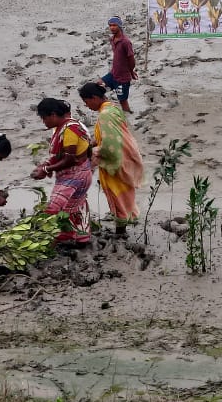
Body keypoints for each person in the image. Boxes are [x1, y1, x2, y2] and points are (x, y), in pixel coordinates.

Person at [78, 82, 144, 236]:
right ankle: (122, 227)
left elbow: (110, 143)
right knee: (123, 195)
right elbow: (110, 134)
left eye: (86, 102)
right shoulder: (113, 108)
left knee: (117, 195)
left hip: (117, 160)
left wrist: (90, 153)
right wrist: (92, 142)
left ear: (94, 98)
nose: (87, 106)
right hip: (125, 157)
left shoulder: (105, 114)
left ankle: (121, 232)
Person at [30, 98, 94, 244]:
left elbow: (69, 159)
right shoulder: (67, 126)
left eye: (44, 118)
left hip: (75, 176)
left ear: (53, 115)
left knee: (54, 208)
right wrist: (46, 164)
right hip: (82, 173)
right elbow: (61, 155)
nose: (43, 122)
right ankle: (78, 238)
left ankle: (50, 238)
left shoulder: (69, 130)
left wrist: (46, 169)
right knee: (73, 206)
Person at [103, 15, 137, 113]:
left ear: (119, 26)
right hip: (113, 74)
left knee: (123, 101)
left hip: (123, 79)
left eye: (114, 25)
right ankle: (109, 109)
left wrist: (131, 71)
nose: (112, 27)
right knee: (97, 87)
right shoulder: (112, 39)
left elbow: (131, 59)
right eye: (110, 25)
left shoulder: (126, 42)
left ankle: (128, 115)